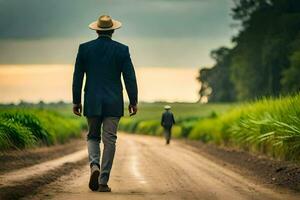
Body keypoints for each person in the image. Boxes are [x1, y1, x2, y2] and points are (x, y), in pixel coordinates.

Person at [72, 15, 138, 192]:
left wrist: (76, 101)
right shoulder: (122, 50)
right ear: (113, 30)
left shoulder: (84, 49)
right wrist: (133, 101)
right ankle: (103, 181)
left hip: (92, 101)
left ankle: (94, 165)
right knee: (110, 140)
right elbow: (130, 77)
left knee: (93, 136)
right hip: (113, 102)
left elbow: (78, 77)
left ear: (97, 30)